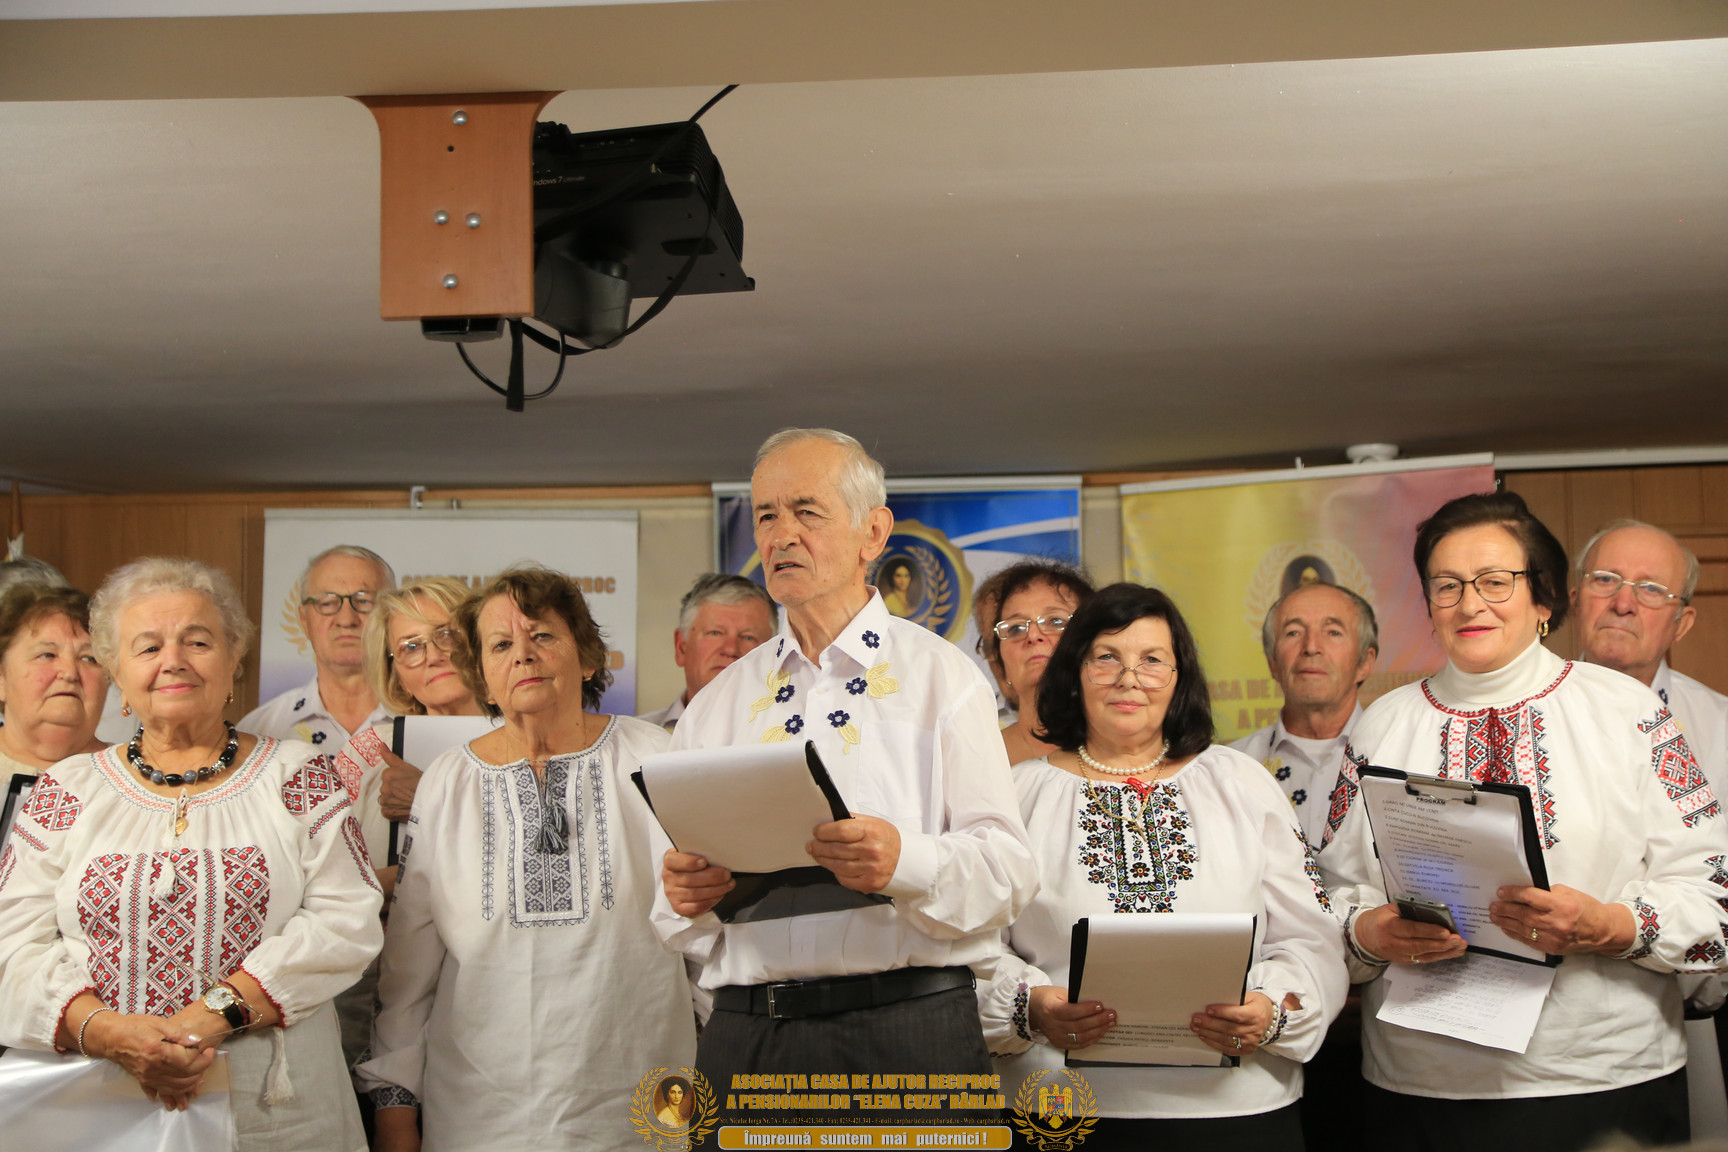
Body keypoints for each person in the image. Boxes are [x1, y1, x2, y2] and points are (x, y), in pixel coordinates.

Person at [654, 427, 1038, 1133]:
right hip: (750, 1038)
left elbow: (1008, 872)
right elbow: (673, 904)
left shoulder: (942, 676)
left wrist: (904, 861)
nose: (782, 534)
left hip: (908, 1031)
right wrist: (685, 895)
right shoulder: (717, 703)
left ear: (873, 533)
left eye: (807, 511)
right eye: (766, 515)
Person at [1318, 492, 1728, 1152]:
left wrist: (1608, 925)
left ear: (1543, 599)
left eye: (1494, 581)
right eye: (1447, 585)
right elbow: (1326, 898)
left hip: (1604, 1076)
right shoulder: (1381, 727)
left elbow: (1715, 895)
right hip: (1419, 1085)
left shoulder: (1629, 712)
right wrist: (1371, 931)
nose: (1469, 604)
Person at [0, 557, 383, 1149]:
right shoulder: (65, 790)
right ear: (118, 671)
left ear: (234, 659)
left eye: (197, 641)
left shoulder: (301, 776)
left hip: (277, 1112)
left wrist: (210, 1018)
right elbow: (10, 946)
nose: (173, 660)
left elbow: (346, 922)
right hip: (96, 1105)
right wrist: (109, 1033)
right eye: (148, 647)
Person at [983, 582, 1345, 1149]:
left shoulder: (1241, 782)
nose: (1129, 679)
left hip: (1239, 1110)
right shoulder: (1016, 795)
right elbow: (973, 943)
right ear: (1074, 673)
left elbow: (1312, 933)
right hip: (1059, 1110)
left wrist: (1272, 1009)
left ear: (1180, 679)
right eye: (1106, 657)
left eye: (1152, 660)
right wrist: (1030, 1007)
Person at [359, 566, 695, 1152]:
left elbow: (703, 935)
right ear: (484, 680)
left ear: (586, 657)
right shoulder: (448, 781)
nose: (523, 655)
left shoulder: (655, 757)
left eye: (542, 635)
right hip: (480, 1114)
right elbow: (409, 972)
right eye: (500, 645)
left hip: (639, 1104)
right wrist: (395, 1108)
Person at [1571, 518, 1728, 1128]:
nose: (1623, 601)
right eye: (1606, 579)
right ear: (1576, 597)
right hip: (1554, 1021)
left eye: (1651, 589)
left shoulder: (1720, 728)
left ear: (1682, 622)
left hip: (1694, 1012)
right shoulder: (1516, 711)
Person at [1231, 582, 1378, 846]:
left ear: (1365, 663)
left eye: (1333, 632)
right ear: (1272, 662)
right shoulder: (1233, 768)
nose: (1311, 646)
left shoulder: (1399, 760)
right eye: (1293, 632)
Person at [242, 544, 395, 749]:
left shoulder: (424, 720)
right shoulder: (257, 731)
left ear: (392, 616)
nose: (346, 620)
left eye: (364, 601)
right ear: (304, 621)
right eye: (327, 603)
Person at [972, 559, 1095, 766]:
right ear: (1000, 663)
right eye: (1015, 628)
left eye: (1055, 621)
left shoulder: (1133, 748)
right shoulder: (973, 755)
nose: (1033, 635)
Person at [639, 572, 777, 731]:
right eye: (715, 633)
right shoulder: (636, 739)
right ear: (681, 647)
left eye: (748, 637)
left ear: (773, 653)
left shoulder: (793, 736)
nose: (731, 649)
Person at [0, 583, 108, 778]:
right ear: (1, 678)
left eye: (88, 658)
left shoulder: (140, 781)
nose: (69, 672)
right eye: (47, 655)